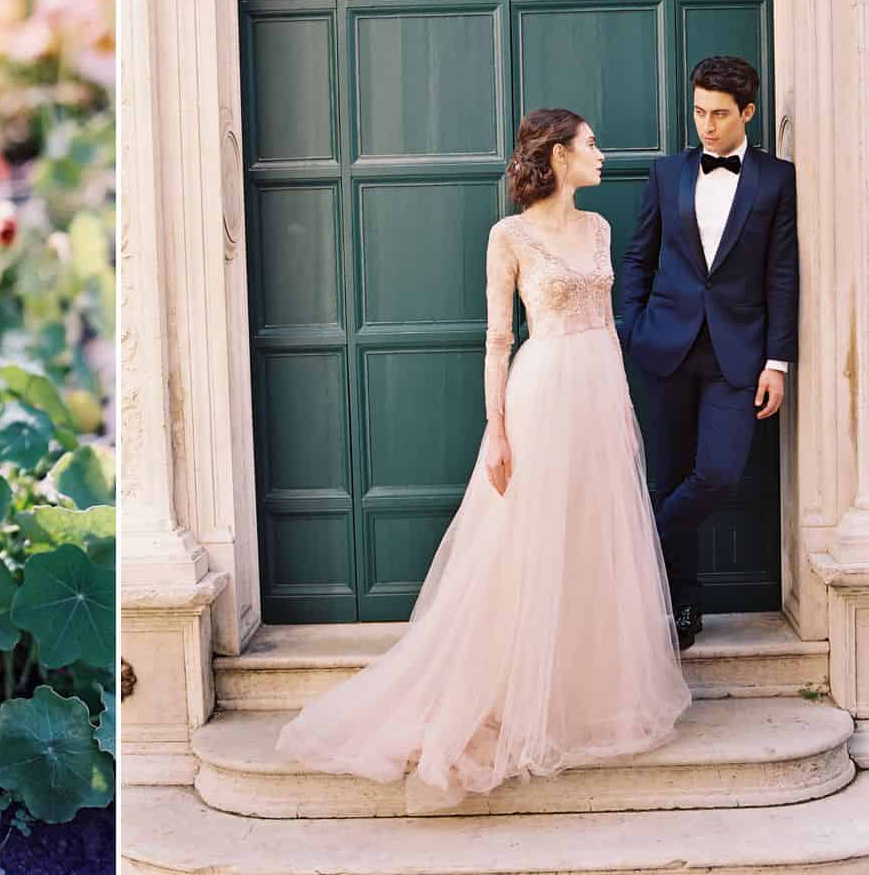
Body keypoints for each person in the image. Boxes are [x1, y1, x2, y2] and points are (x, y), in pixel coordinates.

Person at [274, 108, 692, 815]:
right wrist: (496, 431)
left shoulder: (599, 229)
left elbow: (607, 319)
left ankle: (576, 693)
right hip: (543, 393)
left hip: (601, 391)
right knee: (520, 547)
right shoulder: (510, 237)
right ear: (558, 156)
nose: (600, 153)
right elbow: (499, 339)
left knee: (594, 540)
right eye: (590, 144)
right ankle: (497, 695)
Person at [619, 56, 799, 651]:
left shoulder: (777, 180)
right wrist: (633, 328)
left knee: (716, 472)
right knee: (667, 474)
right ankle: (683, 608)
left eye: (720, 115)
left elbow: (782, 274)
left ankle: (634, 547)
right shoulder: (666, 172)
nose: (707, 127)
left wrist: (778, 361)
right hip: (663, 347)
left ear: (747, 112)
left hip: (738, 356)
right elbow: (639, 257)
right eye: (699, 113)